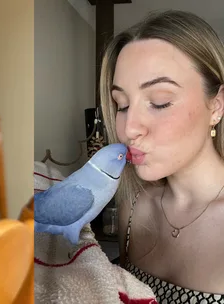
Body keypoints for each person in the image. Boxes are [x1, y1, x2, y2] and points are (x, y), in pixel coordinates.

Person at [100, 9, 224, 303]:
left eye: (160, 102)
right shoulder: (132, 206)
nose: (129, 129)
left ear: (217, 106)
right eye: (122, 104)